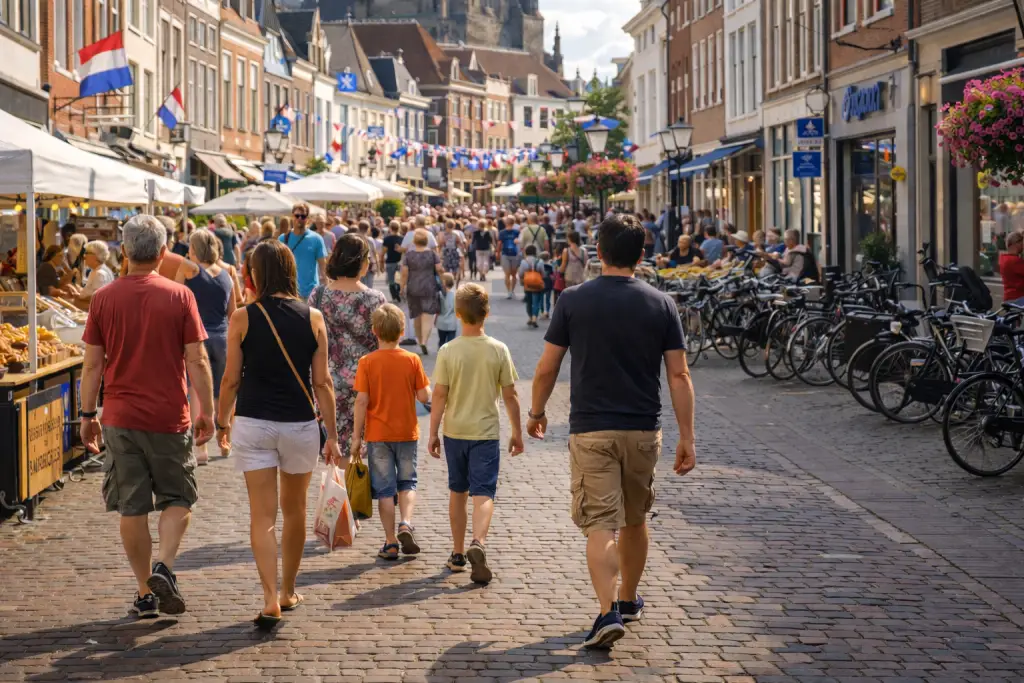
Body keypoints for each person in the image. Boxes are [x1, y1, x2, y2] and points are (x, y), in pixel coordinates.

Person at [527, 214, 697, 649]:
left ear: (597, 251)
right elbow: (679, 376)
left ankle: (607, 612)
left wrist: (537, 411)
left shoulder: (572, 300)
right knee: (636, 518)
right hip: (643, 429)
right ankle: (628, 599)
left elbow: (548, 366)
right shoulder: (661, 303)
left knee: (601, 522)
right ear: (641, 256)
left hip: (591, 429)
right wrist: (687, 436)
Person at [79, 214, 216, 619]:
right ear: (161, 254)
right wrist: (208, 410)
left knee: (131, 507)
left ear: (123, 251)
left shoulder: (104, 298)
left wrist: (88, 414)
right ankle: (165, 566)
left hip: (120, 417)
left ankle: (144, 592)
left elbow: (92, 365)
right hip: (168, 414)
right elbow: (198, 358)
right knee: (178, 497)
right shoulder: (179, 296)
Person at [216, 240, 341, 628]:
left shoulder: (243, 316)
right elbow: (323, 384)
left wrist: (222, 421)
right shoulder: (314, 317)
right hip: (300, 424)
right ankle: (288, 590)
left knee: (262, 516)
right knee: (295, 510)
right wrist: (333, 435)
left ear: (254, 274)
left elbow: (231, 379)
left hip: (254, 422)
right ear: (290, 270)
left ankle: (269, 597)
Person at [428, 283, 523, 584]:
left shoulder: (447, 350)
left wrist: (432, 433)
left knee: (458, 492)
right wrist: (517, 432)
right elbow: (511, 396)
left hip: (455, 431)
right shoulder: (498, 349)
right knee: (484, 492)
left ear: (457, 314)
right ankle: (478, 541)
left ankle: (457, 553)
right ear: (487, 313)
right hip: (486, 432)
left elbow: (439, 396)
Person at [351, 304, 432, 561]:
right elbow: (423, 395)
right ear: (402, 331)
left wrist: (356, 437)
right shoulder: (412, 360)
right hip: (407, 432)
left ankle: (390, 542)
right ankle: (406, 522)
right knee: (407, 482)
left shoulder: (367, 363)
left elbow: (361, 401)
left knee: (385, 490)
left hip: (378, 435)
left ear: (374, 331)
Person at [313, 234, 387, 457]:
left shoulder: (320, 295)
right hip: (367, 383)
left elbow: (310, 338)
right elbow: (385, 344)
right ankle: (358, 490)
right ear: (362, 263)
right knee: (369, 446)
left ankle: (343, 491)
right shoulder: (375, 299)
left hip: (327, 381)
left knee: (338, 448)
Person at [183, 229, 237, 464]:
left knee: (197, 391)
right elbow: (233, 312)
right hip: (223, 338)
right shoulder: (227, 274)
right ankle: (225, 441)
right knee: (223, 391)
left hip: (198, 339)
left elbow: (177, 305)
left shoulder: (189, 274)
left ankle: (201, 449)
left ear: (195, 250)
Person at [401, 229, 443, 356]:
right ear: (427, 241)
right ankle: (424, 340)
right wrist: (444, 282)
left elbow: (404, 273)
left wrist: (402, 286)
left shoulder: (408, 255)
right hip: (429, 286)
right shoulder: (432, 254)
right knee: (428, 316)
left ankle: (420, 340)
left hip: (413, 287)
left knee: (416, 316)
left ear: (414, 241)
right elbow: (439, 269)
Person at [280, 203, 328, 299]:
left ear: (307, 218)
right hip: (289, 293)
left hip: (311, 293)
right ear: (292, 216)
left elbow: (323, 267)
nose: (300, 219)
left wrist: (327, 290)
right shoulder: (283, 239)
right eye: (297, 216)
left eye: (303, 216)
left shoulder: (316, 239)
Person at [77, 240, 116, 308]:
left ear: (95, 256)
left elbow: (98, 298)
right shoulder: (100, 270)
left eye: (87, 253)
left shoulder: (99, 273)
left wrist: (79, 296)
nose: (84, 256)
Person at [517, 244, 545, 328]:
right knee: (536, 301)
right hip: (537, 284)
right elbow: (542, 273)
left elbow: (521, 274)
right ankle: (534, 318)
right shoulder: (539, 261)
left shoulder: (523, 262)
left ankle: (530, 316)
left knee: (529, 302)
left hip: (528, 284)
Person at [497, 218, 521, 299]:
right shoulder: (517, 232)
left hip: (505, 254)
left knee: (507, 274)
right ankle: (512, 290)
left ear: (506, 223)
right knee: (514, 274)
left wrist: (497, 253)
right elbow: (520, 243)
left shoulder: (502, 232)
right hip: (515, 254)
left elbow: (499, 244)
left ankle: (509, 291)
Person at [382, 221, 404, 302]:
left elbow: (383, 252)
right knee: (399, 279)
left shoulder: (387, 239)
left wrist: (381, 263)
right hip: (400, 262)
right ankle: (398, 291)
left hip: (390, 261)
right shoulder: (402, 238)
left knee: (391, 280)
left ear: (390, 228)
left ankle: (394, 296)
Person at [1000, 231, 1024, 304]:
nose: (1023, 246)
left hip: (1009, 298)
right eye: (1022, 243)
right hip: (1018, 297)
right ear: (1016, 243)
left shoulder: (1004, 259)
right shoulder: (1015, 261)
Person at [436, 272, 458, 347]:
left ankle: (441, 356)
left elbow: (437, 309)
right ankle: (449, 357)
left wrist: (435, 319)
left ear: (443, 282)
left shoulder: (439, 294)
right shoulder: (456, 294)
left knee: (442, 342)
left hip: (441, 322)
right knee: (451, 344)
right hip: (452, 323)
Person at [539, 251, 555, 320]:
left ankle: (542, 311)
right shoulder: (550, 266)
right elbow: (552, 275)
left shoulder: (539, 265)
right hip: (548, 284)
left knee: (541, 299)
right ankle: (547, 312)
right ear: (548, 258)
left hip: (541, 283)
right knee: (548, 299)